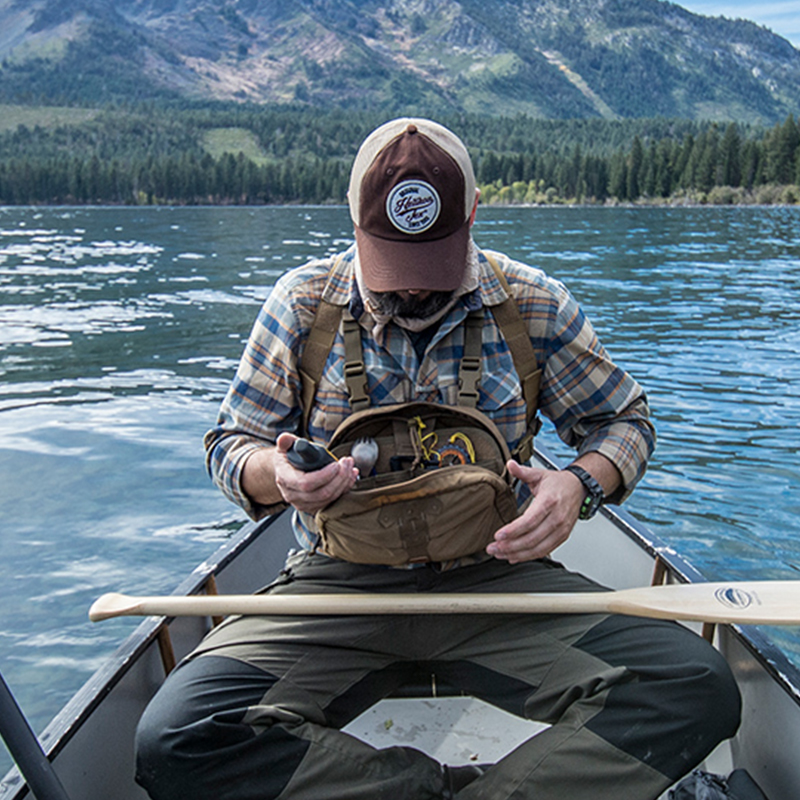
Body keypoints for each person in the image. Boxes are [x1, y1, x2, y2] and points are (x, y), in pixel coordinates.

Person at [135, 118, 740, 800]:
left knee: (695, 687)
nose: (413, 293)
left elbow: (624, 422)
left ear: (474, 212)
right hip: (335, 592)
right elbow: (228, 445)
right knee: (179, 737)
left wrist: (579, 487)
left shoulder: (532, 304)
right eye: (392, 264)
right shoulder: (303, 305)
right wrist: (275, 475)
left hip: (500, 585)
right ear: (354, 222)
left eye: (433, 265)